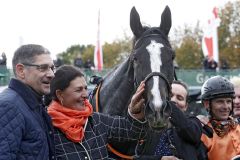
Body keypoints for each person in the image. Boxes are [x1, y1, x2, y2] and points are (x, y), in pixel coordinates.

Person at [48, 65, 148, 160]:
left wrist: (135, 111)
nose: (86, 95)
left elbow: (132, 131)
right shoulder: (47, 129)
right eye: (79, 90)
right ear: (60, 94)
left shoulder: (96, 120)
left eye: (86, 88)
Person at [0, 44, 55, 159]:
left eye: (52, 68)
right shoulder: (9, 106)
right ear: (21, 71)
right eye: (43, 68)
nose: (51, 74)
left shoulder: (33, 103)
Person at [134, 80, 203, 160]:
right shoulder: (147, 125)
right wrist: (160, 159)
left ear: (186, 106)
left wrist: (168, 103)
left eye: (179, 98)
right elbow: (136, 157)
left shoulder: (194, 123)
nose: (174, 100)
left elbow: (190, 132)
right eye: (170, 95)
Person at [200, 76, 240, 160]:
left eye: (228, 101)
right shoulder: (202, 133)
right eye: (220, 101)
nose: (226, 107)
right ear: (206, 104)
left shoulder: (237, 126)